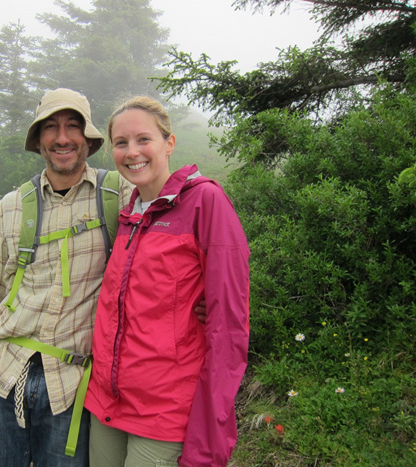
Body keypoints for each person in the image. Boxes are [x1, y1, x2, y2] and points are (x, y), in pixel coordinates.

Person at [0, 88, 134, 467]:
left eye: (73, 126)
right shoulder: (11, 207)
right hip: (3, 373)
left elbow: (161, 254)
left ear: (87, 139)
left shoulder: (118, 195)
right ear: (39, 139)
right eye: (51, 128)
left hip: (74, 384)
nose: (62, 138)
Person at [84, 97, 251, 466]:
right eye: (122, 143)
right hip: (107, 402)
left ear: (169, 143)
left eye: (144, 139)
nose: (132, 152)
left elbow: (229, 328)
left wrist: (210, 432)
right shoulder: (129, 213)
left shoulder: (205, 202)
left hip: (164, 411)